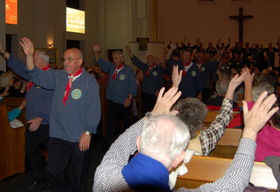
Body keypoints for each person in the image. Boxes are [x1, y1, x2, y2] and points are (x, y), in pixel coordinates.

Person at [93, 86, 278, 191]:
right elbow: (235, 181)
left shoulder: (104, 178)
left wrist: (149, 117)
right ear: (179, 158)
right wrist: (251, 130)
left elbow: (118, 147)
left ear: (139, 142)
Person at [20, 37, 101, 192]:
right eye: (64, 59)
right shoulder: (59, 76)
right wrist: (29, 56)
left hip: (79, 136)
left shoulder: (89, 81)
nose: (66, 63)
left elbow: (94, 109)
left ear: (80, 61)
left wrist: (88, 132)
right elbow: (36, 76)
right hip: (58, 134)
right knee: (53, 171)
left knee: (79, 176)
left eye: (70, 59)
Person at [0, 38, 56, 191]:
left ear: (40, 61)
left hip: (47, 122)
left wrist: (40, 117)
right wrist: (3, 52)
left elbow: (53, 100)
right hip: (31, 121)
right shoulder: (33, 75)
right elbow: (19, 65)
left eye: (33, 59)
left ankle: (52, 180)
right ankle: (39, 177)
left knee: (52, 153)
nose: (30, 62)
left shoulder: (53, 76)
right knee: (30, 150)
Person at [92, 43, 137, 150]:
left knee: (127, 124)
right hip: (112, 100)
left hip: (123, 101)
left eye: (116, 58)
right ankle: (107, 144)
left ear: (122, 59)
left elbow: (132, 85)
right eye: (113, 58)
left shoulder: (128, 70)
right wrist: (95, 52)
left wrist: (129, 98)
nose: (114, 60)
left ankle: (131, 144)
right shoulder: (111, 67)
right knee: (110, 123)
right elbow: (99, 61)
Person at [125, 45, 164, 115]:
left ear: (153, 60)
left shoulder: (158, 69)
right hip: (145, 92)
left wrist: (158, 89)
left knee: (153, 110)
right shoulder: (145, 67)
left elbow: (160, 80)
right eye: (148, 59)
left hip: (154, 93)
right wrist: (130, 53)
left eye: (151, 59)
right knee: (144, 109)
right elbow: (137, 61)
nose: (149, 61)